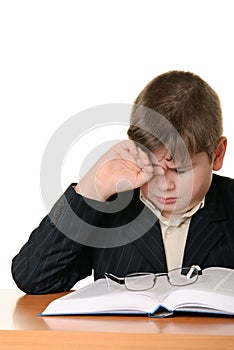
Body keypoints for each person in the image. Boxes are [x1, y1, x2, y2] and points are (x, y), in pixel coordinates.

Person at [12, 70, 234, 294]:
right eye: (151, 167)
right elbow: (33, 278)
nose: (165, 185)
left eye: (179, 170)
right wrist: (91, 187)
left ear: (217, 155)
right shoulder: (111, 208)